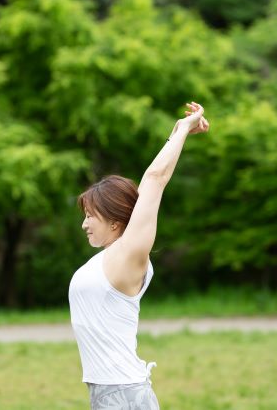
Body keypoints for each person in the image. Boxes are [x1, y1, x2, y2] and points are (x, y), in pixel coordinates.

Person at [68, 102, 210, 409]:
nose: (84, 223)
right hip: (111, 393)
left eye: (90, 216)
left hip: (123, 394)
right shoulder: (107, 259)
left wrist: (183, 130)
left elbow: (155, 179)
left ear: (115, 220)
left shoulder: (129, 255)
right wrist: (175, 133)